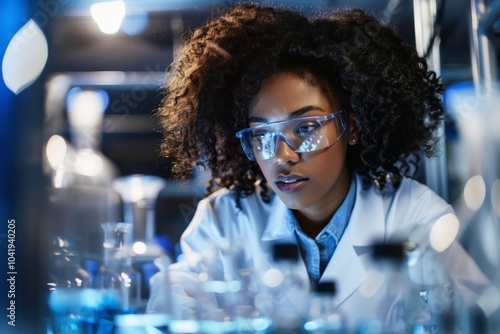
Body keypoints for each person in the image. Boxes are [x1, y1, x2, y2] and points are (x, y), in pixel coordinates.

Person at [147, 2, 489, 331]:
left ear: (352, 126)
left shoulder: (412, 214)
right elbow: (172, 302)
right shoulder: (225, 219)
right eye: (262, 135)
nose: (282, 156)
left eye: (306, 128)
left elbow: (475, 316)